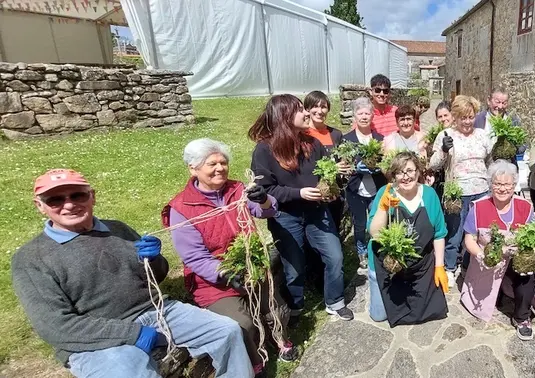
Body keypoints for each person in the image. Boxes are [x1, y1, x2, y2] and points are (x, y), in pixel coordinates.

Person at [12, 169, 252, 378]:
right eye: (55, 199)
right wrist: (133, 334)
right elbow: (55, 326)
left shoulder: (117, 229)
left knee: (227, 331)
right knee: (131, 372)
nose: (69, 204)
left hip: (156, 311)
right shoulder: (32, 259)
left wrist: (155, 260)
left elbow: (155, 277)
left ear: (92, 196)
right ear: (40, 206)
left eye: (78, 195)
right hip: (97, 338)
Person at [163, 139, 298, 377]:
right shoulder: (182, 208)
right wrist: (224, 273)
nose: (220, 168)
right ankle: (255, 360)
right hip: (212, 281)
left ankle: (280, 340)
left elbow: (268, 211)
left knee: (274, 307)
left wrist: (263, 198)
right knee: (241, 323)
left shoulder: (237, 190)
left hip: (251, 266)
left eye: (223, 162)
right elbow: (194, 257)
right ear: (193, 168)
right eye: (211, 163)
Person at [249, 95, 354, 322]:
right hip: (285, 216)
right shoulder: (264, 150)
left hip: (316, 211)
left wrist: (333, 172)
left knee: (335, 256)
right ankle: (296, 307)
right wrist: (299, 193)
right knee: (294, 266)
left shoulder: (311, 143)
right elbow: (265, 189)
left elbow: (320, 174)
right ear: (285, 116)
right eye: (300, 110)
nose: (307, 113)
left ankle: (335, 301)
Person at [367, 151, 449, 326]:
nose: (405, 177)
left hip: (419, 266)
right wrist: (383, 207)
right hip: (387, 266)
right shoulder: (386, 192)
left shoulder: (429, 194)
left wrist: (439, 266)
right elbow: (374, 233)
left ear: (418, 172)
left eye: (410, 171)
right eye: (399, 172)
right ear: (393, 175)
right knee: (379, 316)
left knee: (432, 311)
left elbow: (439, 234)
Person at [461, 160, 535, 340]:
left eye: (507, 184)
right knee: (487, 300)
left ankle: (522, 318)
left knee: (527, 275)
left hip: (515, 258)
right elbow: (469, 239)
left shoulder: (525, 206)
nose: (502, 189)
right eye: (497, 184)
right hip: (488, 261)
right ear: (490, 185)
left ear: (514, 185)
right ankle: (500, 292)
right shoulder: (479, 207)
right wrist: (480, 255)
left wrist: (528, 251)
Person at [429, 95, 493, 285]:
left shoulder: (482, 135)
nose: (467, 121)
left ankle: (468, 266)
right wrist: (443, 150)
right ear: (455, 117)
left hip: (481, 192)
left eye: (470, 117)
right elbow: (434, 165)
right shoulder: (446, 135)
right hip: (456, 192)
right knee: (455, 233)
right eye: (463, 117)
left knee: (476, 234)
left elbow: (489, 162)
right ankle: (449, 268)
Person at [343, 97, 387, 272]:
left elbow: (387, 160)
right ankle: (361, 251)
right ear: (354, 116)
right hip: (356, 189)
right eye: (360, 113)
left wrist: (380, 167)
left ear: (372, 115)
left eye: (367, 113)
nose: (363, 116)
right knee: (360, 223)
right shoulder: (347, 139)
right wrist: (355, 168)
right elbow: (343, 165)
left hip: (377, 187)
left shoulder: (380, 138)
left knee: (378, 221)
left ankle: (378, 249)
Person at [303, 90, 350, 236]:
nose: (319, 111)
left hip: (334, 191)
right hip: (312, 192)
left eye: (323, 107)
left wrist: (345, 164)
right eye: (315, 107)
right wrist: (331, 168)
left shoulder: (335, 134)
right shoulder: (302, 134)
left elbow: (343, 157)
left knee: (334, 227)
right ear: (307, 109)